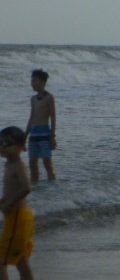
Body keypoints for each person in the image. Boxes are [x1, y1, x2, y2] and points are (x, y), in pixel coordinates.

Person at [0, 126, 34, 280]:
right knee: (20, 259)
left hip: (17, 217)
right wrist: (4, 200)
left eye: (8, 143)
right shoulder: (9, 165)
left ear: (21, 147)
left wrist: (8, 204)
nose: (3, 147)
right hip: (16, 217)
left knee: (1, 259)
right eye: (0, 143)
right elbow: (12, 190)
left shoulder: (18, 165)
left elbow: (26, 187)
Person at [25, 69, 56, 183]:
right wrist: (24, 136)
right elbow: (31, 117)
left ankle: (53, 189)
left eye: (35, 81)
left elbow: (53, 118)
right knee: (32, 163)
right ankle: (36, 189)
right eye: (32, 81)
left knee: (47, 163)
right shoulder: (33, 99)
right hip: (33, 134)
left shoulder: (49, 97)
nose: (32, 83)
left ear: (43, 82)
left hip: (44, 134)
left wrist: (52, 136)